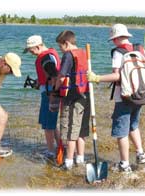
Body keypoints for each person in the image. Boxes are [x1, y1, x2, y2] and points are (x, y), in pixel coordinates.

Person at [87, 23, 145, 172]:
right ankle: (141, 154)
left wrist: (97, 78)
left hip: (124, 97)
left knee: (121, 131)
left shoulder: (118, 52)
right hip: (141, 95)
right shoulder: (140, 48)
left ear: (116, 39)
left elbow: (117, 76)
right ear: (127, 36)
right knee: (133, 125)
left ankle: (124, 164)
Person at [54, 30, 90, 170]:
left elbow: (62, 77)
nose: (60, 49)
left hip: (73, 97)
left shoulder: (68, 55)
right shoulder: (83, 52)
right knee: (81, 129)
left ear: (66, 43)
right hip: (86, 95)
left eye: (60, 47)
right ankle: (80, 158)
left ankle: (68, 161)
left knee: (70, 129)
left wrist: (55, 89)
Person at [24, 35, 61, 159]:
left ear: (38, 46)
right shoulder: (49, 55)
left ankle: (51, 152)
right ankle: (60, 146)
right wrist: (40, 82)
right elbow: (51, 74)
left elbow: (54, 74)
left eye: (31, 50)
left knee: (47, 124)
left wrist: (52, 93)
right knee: (52, 123)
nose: (31, 53)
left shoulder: (45, 58)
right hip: (52, 91)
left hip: (51, 93)